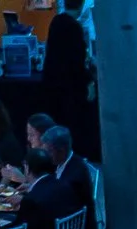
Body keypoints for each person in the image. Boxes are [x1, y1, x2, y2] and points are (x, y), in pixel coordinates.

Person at [41, 1, 93, 140]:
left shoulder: (56, 21)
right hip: (69, 87)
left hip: (52, 83)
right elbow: (77, 62)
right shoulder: (74, 27)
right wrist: (88, 80)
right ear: (81, 6)